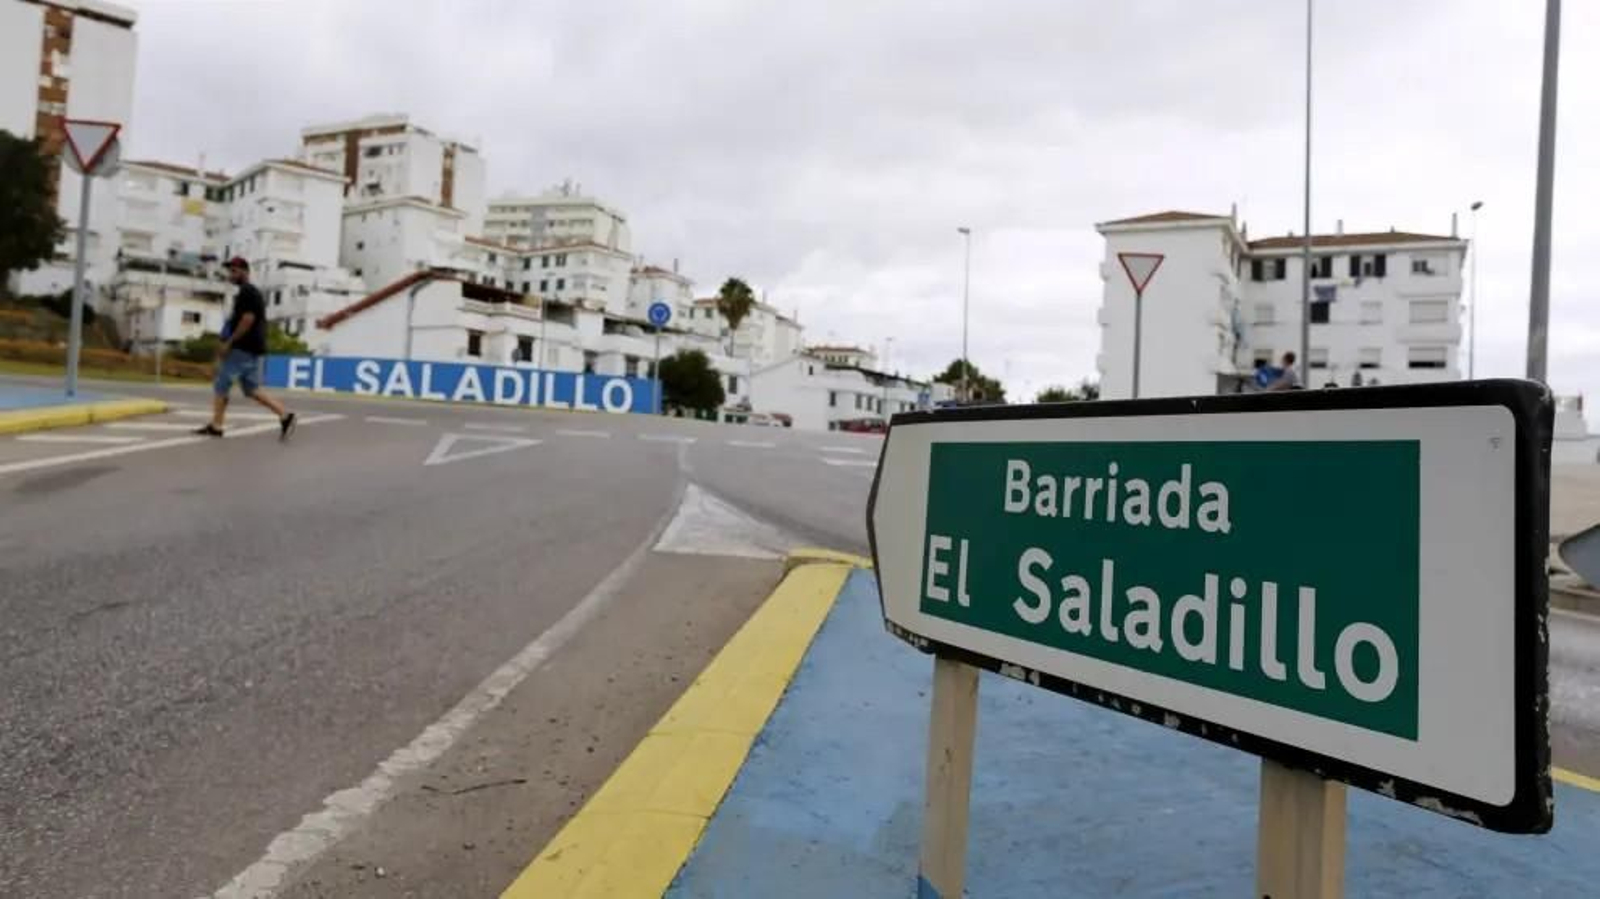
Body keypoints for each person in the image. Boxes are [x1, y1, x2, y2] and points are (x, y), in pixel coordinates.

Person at [194, 257, 296, 439]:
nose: (231, 274)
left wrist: (229, 343)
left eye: (234, 271)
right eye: (230, 271)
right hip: (253, 348)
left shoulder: (247, 292)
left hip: (242, 347)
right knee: (251, 389)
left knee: (221, 384)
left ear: (245, 272)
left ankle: (216, 426)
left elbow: (247, 320)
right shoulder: (247, 292)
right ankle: (285, 415)